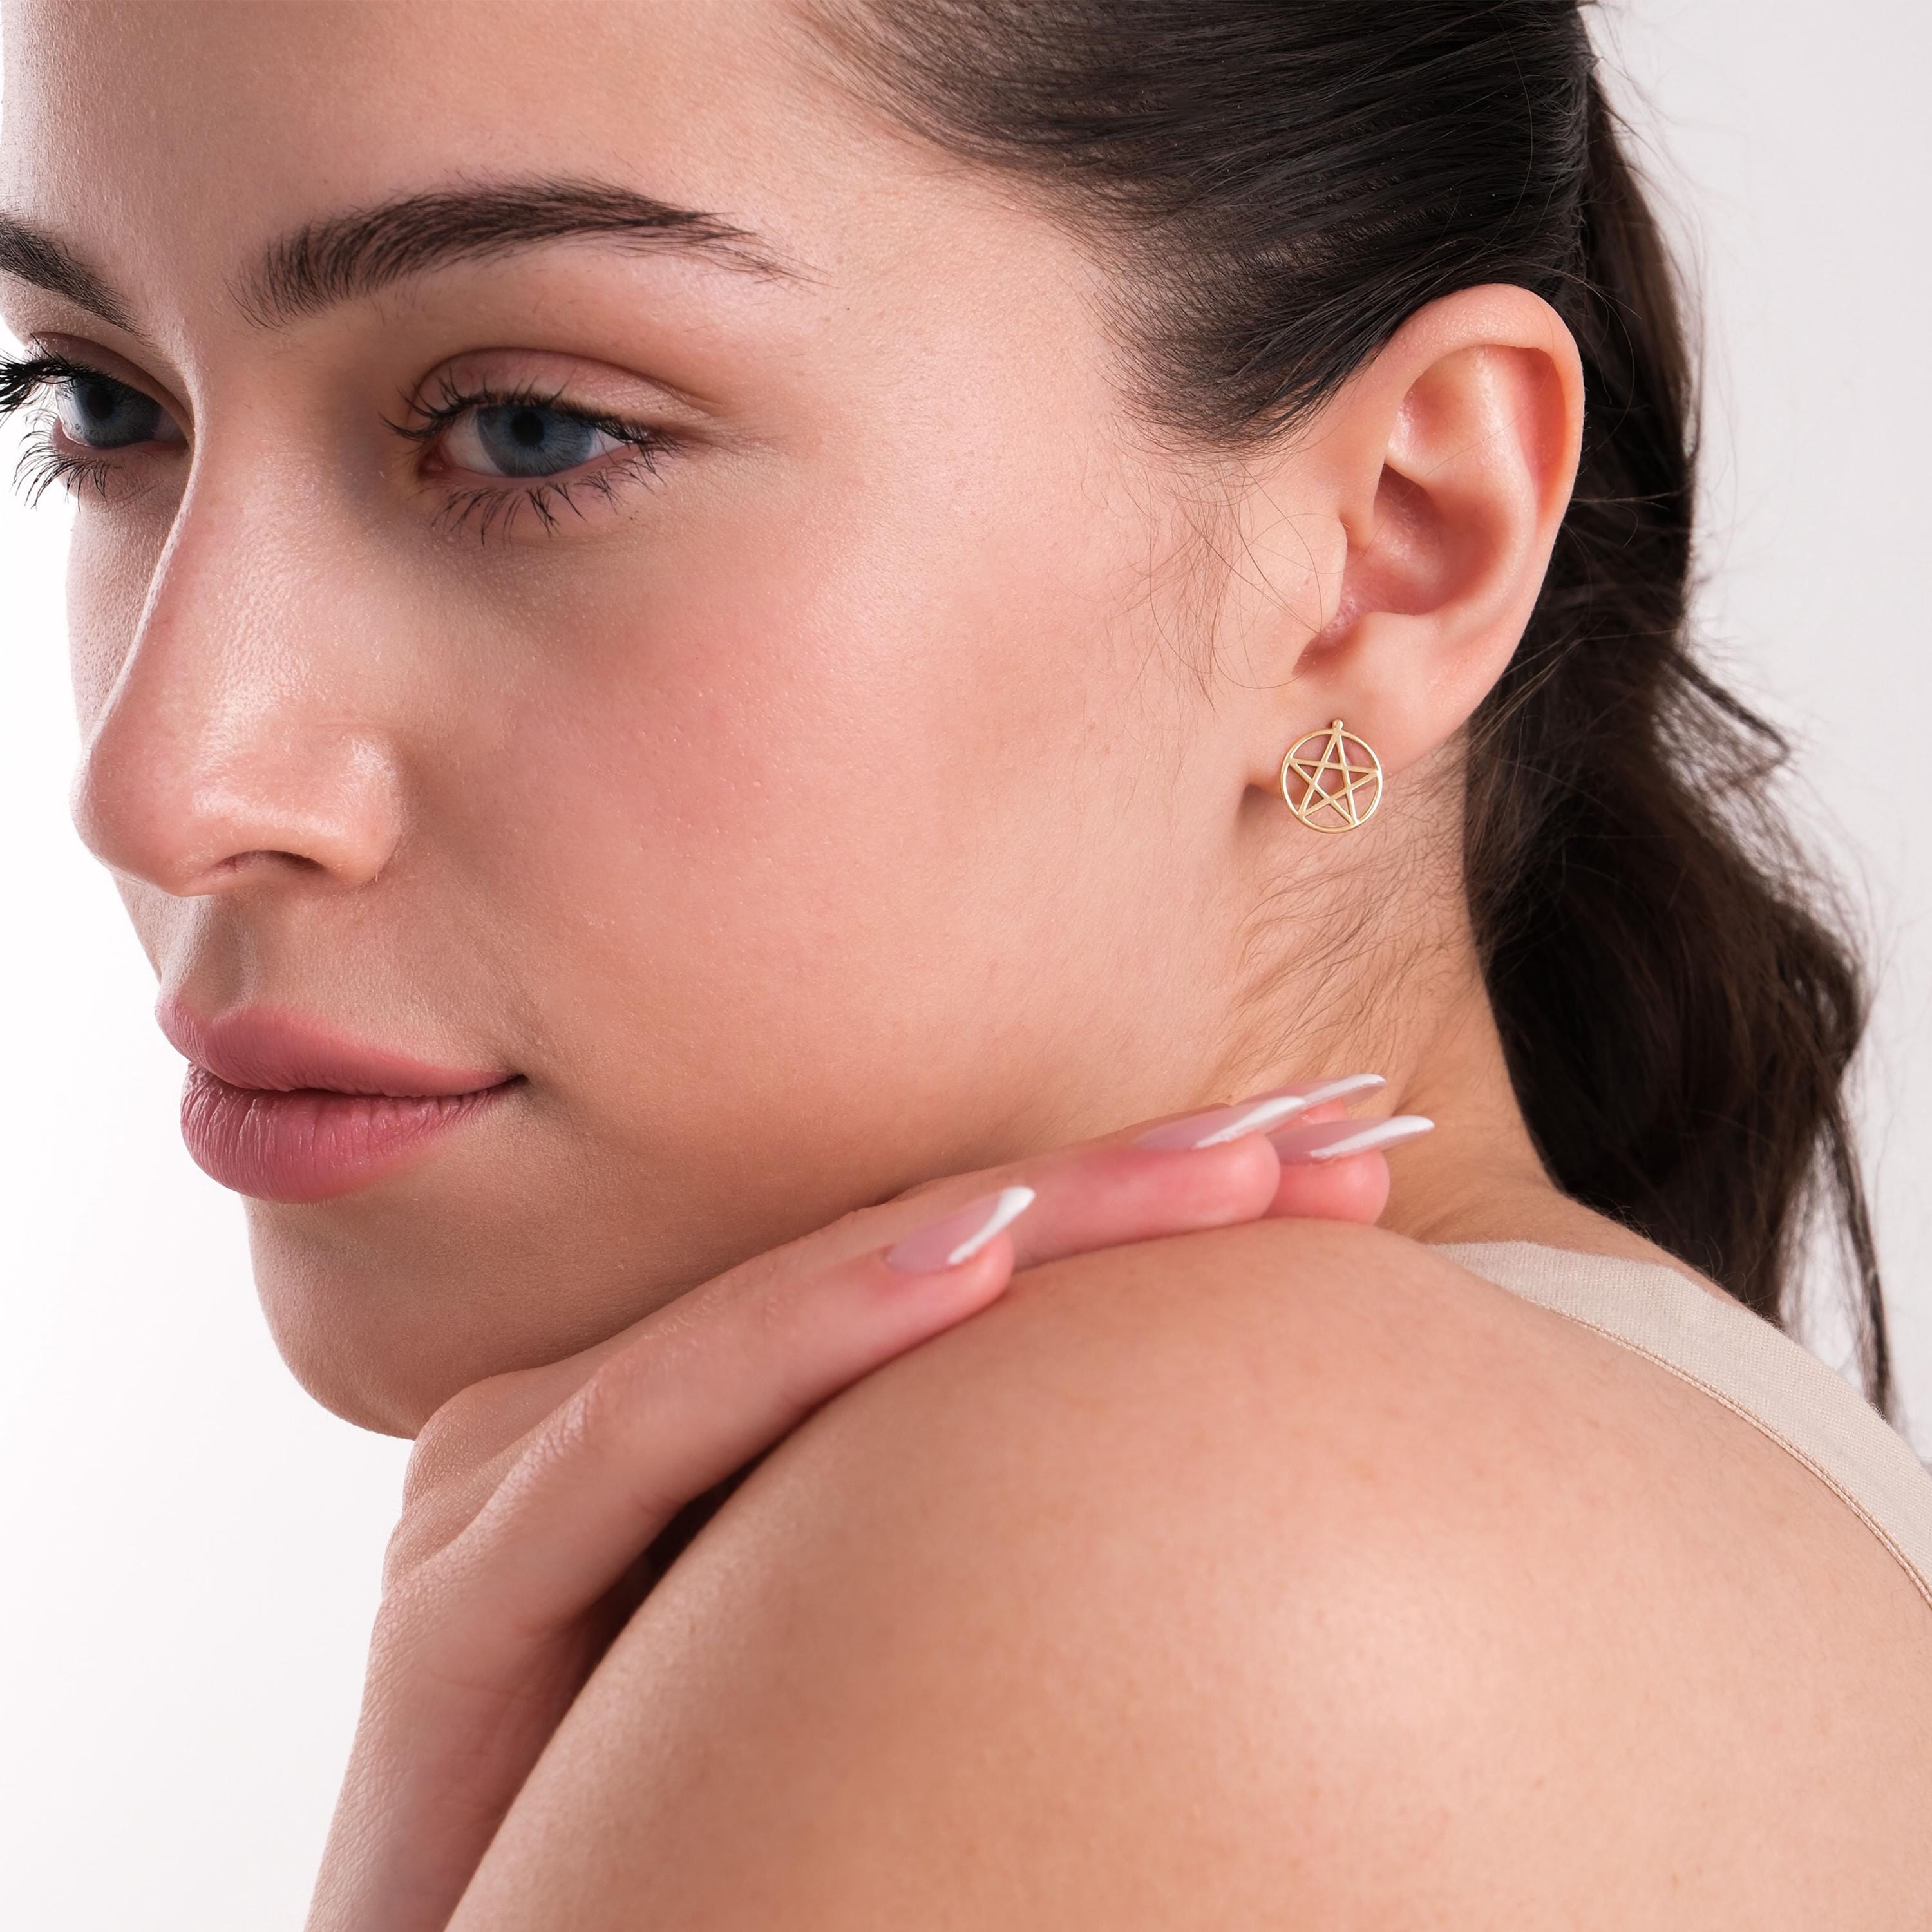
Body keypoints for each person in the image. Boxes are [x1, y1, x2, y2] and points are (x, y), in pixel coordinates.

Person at [3, 0, 1927, 1924]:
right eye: (100, 406)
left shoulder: (1194, 1529)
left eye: (535, 430)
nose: (163, 782)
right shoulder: (1569, 1503)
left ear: (1390, 547)